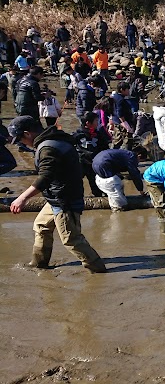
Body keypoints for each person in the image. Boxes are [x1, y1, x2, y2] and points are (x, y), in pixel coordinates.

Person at [8, 115, 106, 273]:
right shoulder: (54, 138)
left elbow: (45, 177)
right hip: (56, 197)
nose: (20, 143)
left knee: (71, 240)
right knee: (41, 226)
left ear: (27, 134)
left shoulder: (48, 148)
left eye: (19, 139)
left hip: (64, 200)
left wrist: (22, 198)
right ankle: (39, 264)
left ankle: (98, 270)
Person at [73, 111, 110, 197]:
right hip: (80, 162)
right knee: (76, 182)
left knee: (96, 184)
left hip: (94, 163)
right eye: (96, 121)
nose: (98, 123)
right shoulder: (77, 134)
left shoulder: (99, 134)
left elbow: (105, 148)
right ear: (88, 123)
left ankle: (98, 198)